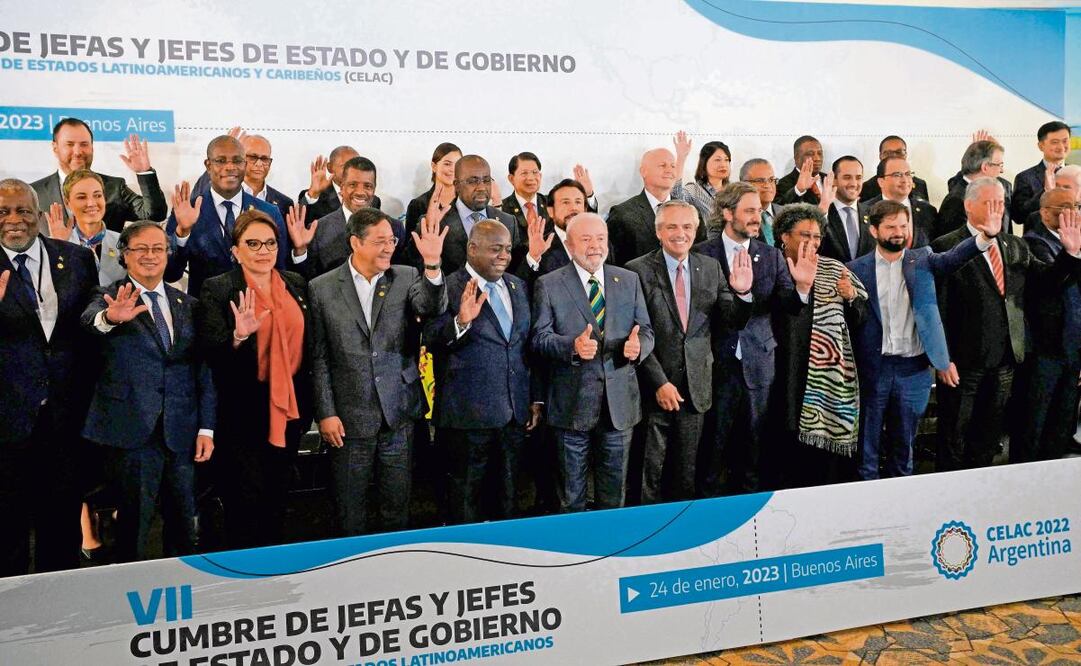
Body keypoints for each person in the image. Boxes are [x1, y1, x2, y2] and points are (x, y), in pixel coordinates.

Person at [81, 221, 216, 562]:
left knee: (184, 524)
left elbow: (202, 369)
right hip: (132, 433)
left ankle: (186, 594)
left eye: (158, 248)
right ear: (124, 255)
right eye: (141, 249)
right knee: (134, 528)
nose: (151, 256)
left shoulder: (188, 303)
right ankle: (132, 602)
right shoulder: (108, 295)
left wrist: (206, 427)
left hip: (181, 433)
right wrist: (111, 318)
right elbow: (90, 321)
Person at [308, 208, 448, 536]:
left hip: (398, 412)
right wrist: (326, 413)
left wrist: (432, 265)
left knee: (396, 506)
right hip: (349, 416)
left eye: (392, 240)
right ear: (355, 242)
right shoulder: (322, 288)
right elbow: (319, 358)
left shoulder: (407, 276)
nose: (389, 247)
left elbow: (431, 308)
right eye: (380, 241)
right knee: (349, 507)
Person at [932, 178, 1081, 472]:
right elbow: (940, 308)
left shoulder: (1015, 244)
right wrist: (942, 357)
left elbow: (1046, 285)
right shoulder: (945, 245)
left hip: (1005, 361)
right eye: (989, 203)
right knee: (955, 437)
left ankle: (986, 498)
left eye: (1000, 203)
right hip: (963, 363)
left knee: (989, 437)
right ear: (968, 206)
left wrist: (1070, 255)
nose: (996, 210)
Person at [847, 199, 993, 481]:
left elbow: (954, 257)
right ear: (874, 231)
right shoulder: (855, 269)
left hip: (913, 371)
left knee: (905, 446)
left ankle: (903, 509)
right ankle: (868, 509)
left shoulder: (923, 259)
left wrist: (984, 238)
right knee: (867, 445)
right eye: (891, 227)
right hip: (871, 370)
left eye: (903, 225)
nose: (899, 232)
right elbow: (853, 321)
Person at [196, 210, 313, 549]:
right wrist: (237, 336)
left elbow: (309, 344)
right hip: (242, 416)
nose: (263, 250)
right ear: (235, 251)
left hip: (289, 411)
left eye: (270, 243)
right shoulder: (219, 288)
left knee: (278, 501)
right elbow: (210, 355)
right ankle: (243, 587)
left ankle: (274, 582)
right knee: (243, 505)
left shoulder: (295, 284)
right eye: (253, 243)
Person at [0, 178, 98, 576]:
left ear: (40, 216)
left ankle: (63, 623)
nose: (14, 220)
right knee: (7, 533)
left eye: (23, 210)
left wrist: (107, 317)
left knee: (61, 529)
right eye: (3, 212)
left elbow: (90, 319)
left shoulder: (75, 259)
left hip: (64, 423)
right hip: (8, 426)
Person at [626, 201, 752, 503]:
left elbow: (730, 320)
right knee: (647, 476)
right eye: (671, 226)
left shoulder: (709, 268)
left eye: (686, 227)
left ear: (696, 231)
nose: (679, 233)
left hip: (696, 388)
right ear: (658, 231)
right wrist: (659, 382)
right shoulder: (635, 271)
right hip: (652, 388)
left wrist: (743, 293)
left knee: (686, 476)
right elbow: (635, 332)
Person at [694, 182, 816, 494]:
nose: (756, 217)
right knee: (712, 451)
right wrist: (740, 293)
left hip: (759, 364)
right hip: (715, 364)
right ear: (726, 212)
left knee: (754, 448)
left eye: (759, 211)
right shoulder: (701, 255)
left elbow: (787, 305)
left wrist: (802, 287)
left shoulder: (772, 256)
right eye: (749, 210)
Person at [531, 212, 654, 512]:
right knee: (570, 498)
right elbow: (539, 338)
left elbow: (647, 331)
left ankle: (613, 555)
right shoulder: (548, 284)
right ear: (570, 245)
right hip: (571, 407)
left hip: (619, 408)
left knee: (614, 497)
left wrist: (638, 348)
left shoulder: (628, 279)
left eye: (600, 239)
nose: (595, 246)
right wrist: (571, 346)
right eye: (586, 239)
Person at [426, 220, 541, 523]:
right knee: (465, 503)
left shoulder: (518, 286)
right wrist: (461, 322)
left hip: (513, 415)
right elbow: (430, 337)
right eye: (495, 249)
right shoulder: (449, 286)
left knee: (508, 501)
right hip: (466, 419)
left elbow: (525, 348)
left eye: (506, 248)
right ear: (472, 248)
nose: (504, 255)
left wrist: (534, 398)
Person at [770, 204, 868, 487]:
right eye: (804, 235)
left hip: (829, 382)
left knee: (825, 467)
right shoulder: (772, 264)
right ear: (784, 236)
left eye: (816, 237)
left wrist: (851, 297)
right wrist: (801, 287)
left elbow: (860, 318)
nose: (812, 242)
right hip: (786, 372)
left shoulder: (835, 268)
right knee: (786, 451)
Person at [165, 136, 299, 297]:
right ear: (208, 165)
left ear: (244, 164)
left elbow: (280, 270)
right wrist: (183, 233)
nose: (230, 167)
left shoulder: (269, 212)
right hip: (204, 312)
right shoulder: (187, 210)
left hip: (258, 309)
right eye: (221, 161)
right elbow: (171, 274)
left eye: (237, 161)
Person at [1015, 189, 1081, 462]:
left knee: (1063, 422)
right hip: (1045, 350)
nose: (1072, 212)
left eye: (1076, 205)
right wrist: (1070, 254)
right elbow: (1048, 285)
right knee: (1034, 423)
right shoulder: (1032, 243)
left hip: (1072, 348)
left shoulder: (1076, 242)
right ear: (1044, 212)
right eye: (1064, 207)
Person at [31, 118, 167, 234]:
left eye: (84, 144)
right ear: (55, 148)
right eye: (70, 144)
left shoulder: (114, 187)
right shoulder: (34, 192)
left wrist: (144, 172)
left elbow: (154, 215)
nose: (78, 152)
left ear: (92, 147)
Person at [404, 155, 520, 275]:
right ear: (457, 185)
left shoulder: (508, 221)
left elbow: (516, 275)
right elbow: (412, 266)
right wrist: (425, 230)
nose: (481, 187)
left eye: (486, 180)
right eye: (473, 181)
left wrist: (533, 256)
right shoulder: (436, 222)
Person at [304, 156, 406, 277]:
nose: (360, 192)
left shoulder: (395, 227)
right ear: (342, 188)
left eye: (367, 186)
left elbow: (400, 276)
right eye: (353, 185)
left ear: (374, 189)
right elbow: (309, 278)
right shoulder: (318, 229)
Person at [608, 144, 704, 265]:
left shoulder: (690, 212)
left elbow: (701, 256)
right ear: (643, 171)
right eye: (662, 165)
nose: (669, 170)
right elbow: (614, 264)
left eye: (673, 166)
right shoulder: (622, 214)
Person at [46, 170, 125, 286]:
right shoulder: (55, 244)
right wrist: (59, 247)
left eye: (97, 195)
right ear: (67, 203)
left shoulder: (123, 242)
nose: (91, 203)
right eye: (82, 197)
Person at [936, 140, 1013, 239]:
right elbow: (954, 246)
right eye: (999, 165)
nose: (1001, 171)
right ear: (985, 167)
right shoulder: (956, 201)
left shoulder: (989, 192)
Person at [299, 146, 382, 225]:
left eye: (356, 165)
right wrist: (313, 194)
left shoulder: (374, 201)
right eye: (345, 166)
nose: (352, 171)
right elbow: (299, 224)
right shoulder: (313, 196)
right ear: (330, 167)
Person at [864, 156, 937, 245]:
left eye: (908, 174)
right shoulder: (865, 212)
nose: (905, 180)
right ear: (881, 182)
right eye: (897, 175)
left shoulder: (928, 210)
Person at [1012, 121, 1071, 224]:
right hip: (1038, 239)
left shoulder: (1077, 174)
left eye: (1065, 141)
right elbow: (1018, 217)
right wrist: (1046, 192)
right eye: (1055, 142)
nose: (1061, 146)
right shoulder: (1025, 177)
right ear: (1041, 146)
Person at [820, 157, 874, 263]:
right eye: (847, 177)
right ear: (834, 180)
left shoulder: (873, 213)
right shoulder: (822, 212)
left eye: (858, 177)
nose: (854, 183)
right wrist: (823, 209)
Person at [671, 133, 733, 222]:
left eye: (727, 160)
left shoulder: (735, 191)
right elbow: (675, 198)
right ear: (704, 163)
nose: (723, 164)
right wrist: (681, 157)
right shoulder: (694, 190)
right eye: (717, 160)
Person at [405, 143, 462, 234]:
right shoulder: (417, 205)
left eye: (457, 165)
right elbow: (409, 245)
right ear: (434, 166)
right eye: (447, 164)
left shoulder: (466, 202)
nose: (453, 169)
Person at [859, 136, 931, 203]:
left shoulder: (920, 185)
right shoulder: (866, 188)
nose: (894, 157)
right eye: (888, 153)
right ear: (880, 156)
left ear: (906, 155)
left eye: (899, 152)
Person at [740, 158, 784, 245]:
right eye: (760, 181)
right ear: (744, 184)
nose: (767, 185)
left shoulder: (786, 213)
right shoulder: (737, 218)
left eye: (771, 180)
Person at [776, 136, 827, 205]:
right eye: (810, 154)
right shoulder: (782, 184)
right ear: (796, 157)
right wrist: (798, 189)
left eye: (820, 153)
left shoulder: (830, 180)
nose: (817, 158)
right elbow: (779, 209)